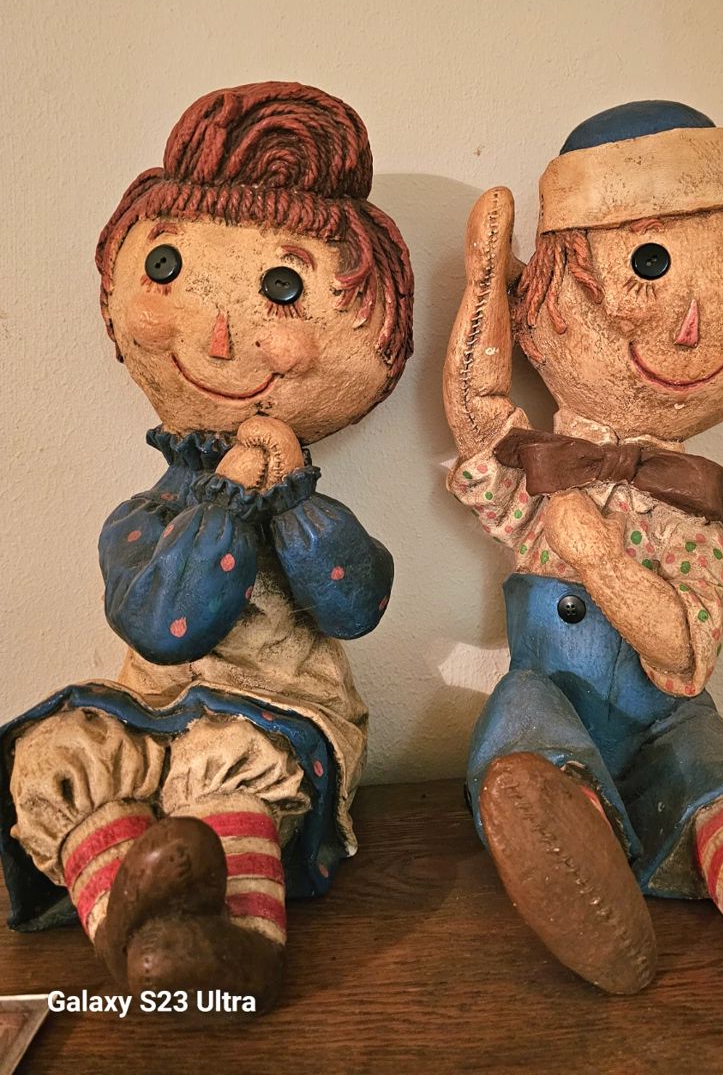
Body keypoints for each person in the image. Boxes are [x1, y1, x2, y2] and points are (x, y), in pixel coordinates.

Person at [443, 100, 723, 1028]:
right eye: (647, 265)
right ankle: (580, 875)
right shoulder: (542, 466)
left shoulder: (690, 503)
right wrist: (485, 285)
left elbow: (685, 650)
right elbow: (478, 411)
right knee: (524, 741)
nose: (697, 326)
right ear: (541, 317)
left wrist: (596, 554)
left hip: (665, 720)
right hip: (556, 703)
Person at [0, 82, 413, 1010]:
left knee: (219, 760)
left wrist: (293, 499)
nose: (221, 329)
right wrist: (225, 497)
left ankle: (243, 942)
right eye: (173, 268)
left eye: (282, 288)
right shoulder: (140, 519)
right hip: (152, 709)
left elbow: (356, 603)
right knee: (58, 749)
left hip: (277, 721)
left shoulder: (308, 504)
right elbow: (170, 624)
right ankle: (131, 930)